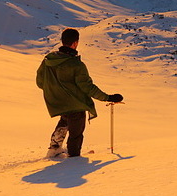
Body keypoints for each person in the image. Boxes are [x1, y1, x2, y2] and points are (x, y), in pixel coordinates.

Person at [36, 28, 123, 158]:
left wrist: (56, 91)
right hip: (76, 105)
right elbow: (87, 87)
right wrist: (108, 97)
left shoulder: (48, 60)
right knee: (76, 134)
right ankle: (74, 160)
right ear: (75, 43)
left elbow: (40, 82)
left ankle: (54, 149)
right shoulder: (76, 65)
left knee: (64, 122)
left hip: (59, 103)